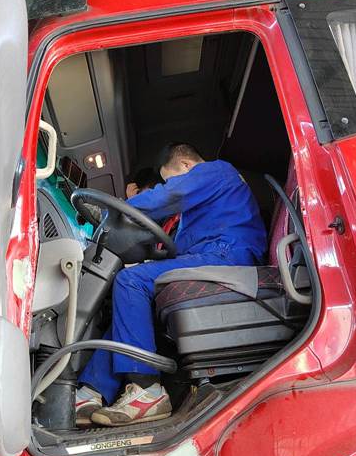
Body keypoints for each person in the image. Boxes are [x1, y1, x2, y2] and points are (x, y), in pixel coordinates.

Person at [76, 143, 267, 427]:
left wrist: (114, 209)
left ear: (187, 165)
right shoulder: (204, 208)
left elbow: (171, 194)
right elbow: (176, 246)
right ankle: (91, 391)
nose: (170, 185)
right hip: (213, 257)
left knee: (130, 281)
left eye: (170, 179)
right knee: (131, 307)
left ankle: (147, 389)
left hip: (228, 257)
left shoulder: (217, 170)